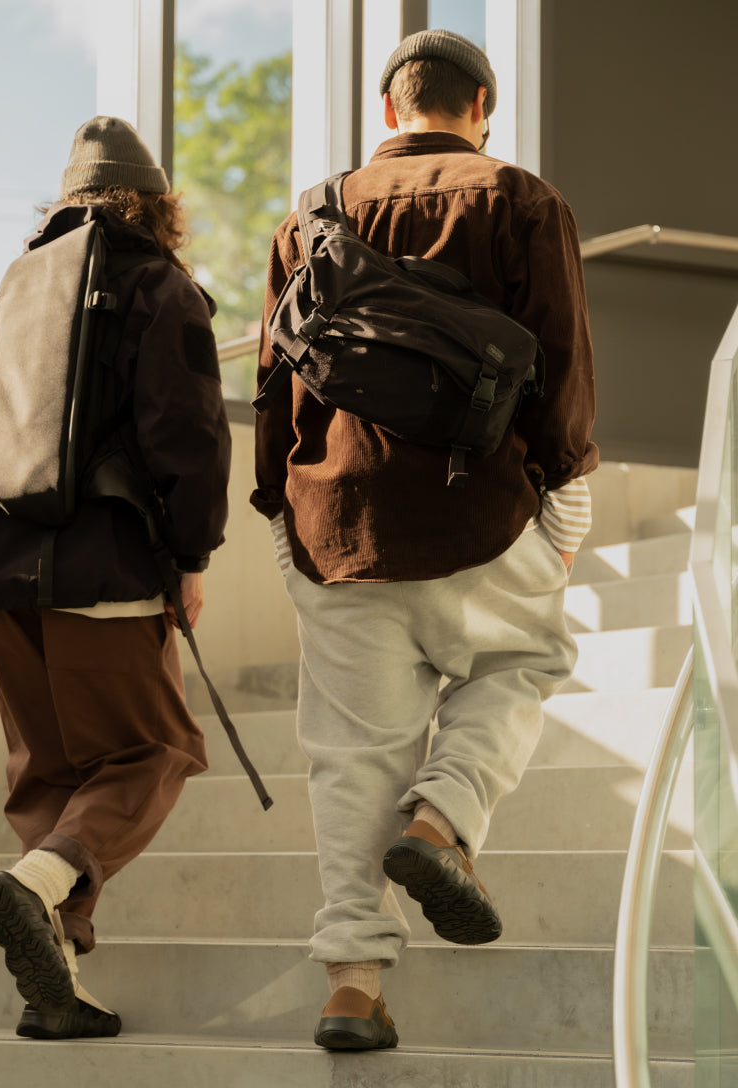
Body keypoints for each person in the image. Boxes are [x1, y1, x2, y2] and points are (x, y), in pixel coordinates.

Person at [251, 29, 597, 1050]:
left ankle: (351, 987)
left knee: (352, 760)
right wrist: (567, 490)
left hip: (336, 524)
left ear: (389, 109)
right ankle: (442, 821)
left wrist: (277, 515)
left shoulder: (309, 216)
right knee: (525, 659)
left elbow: (274, 385)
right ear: (481, 104)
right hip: (478, 511)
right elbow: (564, 367)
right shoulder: (521, 199)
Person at [0, 116, 231, 1039]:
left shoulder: (1, 299)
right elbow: (188, 442)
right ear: (157, 207)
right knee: (153, 751)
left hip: (2, 582)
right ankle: (36, 884)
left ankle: (56, 986)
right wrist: (191, 558)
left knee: (48, 778)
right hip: (110, 575)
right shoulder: (162, 289)